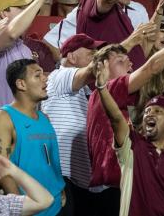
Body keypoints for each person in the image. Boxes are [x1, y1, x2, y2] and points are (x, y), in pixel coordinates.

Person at [95, 66, 164, 216]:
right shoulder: (131, 147)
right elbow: (116, 118)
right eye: (148, 111)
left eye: (158, 111)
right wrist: (102, 88)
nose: (150, 114)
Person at [0, 59, 65, 215]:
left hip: (56, 203)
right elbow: (0, 166)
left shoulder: (44, 118)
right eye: (37, 76)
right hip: (30, 208)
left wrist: (60, 188)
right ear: (21, 84)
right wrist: (18, 206)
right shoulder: (3, 117)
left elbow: (50, 162)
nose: (45, 78)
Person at [42, 34, 100, 213]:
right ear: (72, 57)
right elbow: (95, 69)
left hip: (78, 177)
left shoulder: (84, 88)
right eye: (91, 54)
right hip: (62, 174)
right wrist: (128, 45)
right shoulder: (60, 76)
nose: (96, 58)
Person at [0, 0, 58, 106]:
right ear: (4, 13)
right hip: (2, 121)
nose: (26, 12)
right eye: (21, 8)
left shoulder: (25, 48)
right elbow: (11, 33)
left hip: (27, 120)